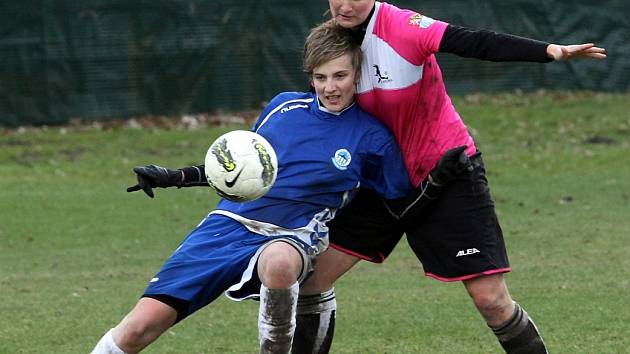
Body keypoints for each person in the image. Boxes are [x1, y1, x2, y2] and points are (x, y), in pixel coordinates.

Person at [290, 1, 608, 354]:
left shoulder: (403, 27)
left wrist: (549, 51)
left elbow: (473, 41)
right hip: (380, 181)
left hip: (446, 173)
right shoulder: (330, 41)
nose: (343, 5)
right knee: (311, 282)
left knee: (491, 300)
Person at [90, 21, 421, 354]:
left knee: (278, 264)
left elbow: (398, 199)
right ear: (310, 77)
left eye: (340, 76)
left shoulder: (372, 136)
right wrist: (174, 176)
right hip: (227, 225)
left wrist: (438, 187)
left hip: (292, 233)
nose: (330, 87)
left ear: (357, 74)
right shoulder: (284, 108)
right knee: (138, 329)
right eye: (320, 78)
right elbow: (242, 167)